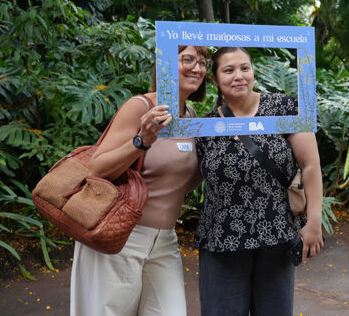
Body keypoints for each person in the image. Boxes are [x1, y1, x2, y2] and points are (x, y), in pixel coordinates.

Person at [70, 45, 209, 316]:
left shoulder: (191, 116)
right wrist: (142, 140)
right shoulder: (141, 106)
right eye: (188, 59)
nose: (197, 67)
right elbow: (96, 169)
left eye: (203, 62)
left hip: (164, 240)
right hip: (121, 234)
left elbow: (182, 183)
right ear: (167, 64)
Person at [194, 47, 324, 315]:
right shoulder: (205, 127)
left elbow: (310, 166)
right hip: (221, 241)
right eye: (228, 70)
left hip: (276, 238)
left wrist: (314, 222)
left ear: (253, 72)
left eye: (245, 68)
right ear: (215, 80)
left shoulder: (284, 107)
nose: (238, 76)